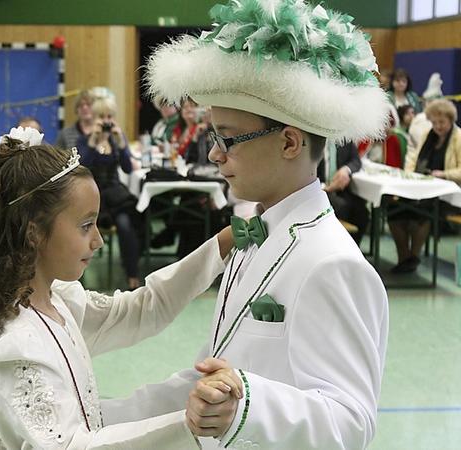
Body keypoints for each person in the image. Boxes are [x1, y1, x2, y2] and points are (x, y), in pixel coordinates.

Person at [102, 1, 390, 449]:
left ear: (290, 142)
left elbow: (351, 423)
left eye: (227, 138)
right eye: (212, 137)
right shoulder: (251, 235)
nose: (215, 154)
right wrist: (100, 417)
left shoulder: (331, 262)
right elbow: (211, 373)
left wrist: (247, 406)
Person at [0, 126, 236, 449]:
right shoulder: (18, 347)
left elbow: (141, 309)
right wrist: (187, 423)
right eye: (86, 226)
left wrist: (222, 244)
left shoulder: (61, 302)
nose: (98, 240)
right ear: (33, 233)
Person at [74, 95, 142, 289]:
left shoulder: (116, 140)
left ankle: (132, 274)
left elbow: (128, 168)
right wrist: (93, 142)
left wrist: (122, 144)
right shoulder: (84, 140)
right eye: (101, 116)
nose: (105, 120)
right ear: (94, 117)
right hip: (91, 196)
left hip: (115, 195)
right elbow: (81, 167)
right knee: (81, 229)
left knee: (126, 226)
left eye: (109, 116)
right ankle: (77, 276)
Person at [388, 99, 461, 273]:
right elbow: (414, 158)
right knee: (394, 208)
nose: (438, 126)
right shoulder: (428, 135)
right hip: (421, 188)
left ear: (451, 120)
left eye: (442, 122)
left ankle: (412, 256)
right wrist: (409, 173)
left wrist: (443, 174)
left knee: (422, 211)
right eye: (434, 122)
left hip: (448, 195)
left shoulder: (458, 137)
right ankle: (406, 257)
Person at [318, 141, 369, 245]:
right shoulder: (314, 138)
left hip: (340, 189)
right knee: (341, 207)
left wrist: (346, 169)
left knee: (362, 212)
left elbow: (356, 161)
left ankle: (353, 251)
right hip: (318, 189)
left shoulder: (344, 138)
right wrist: (324, 187)